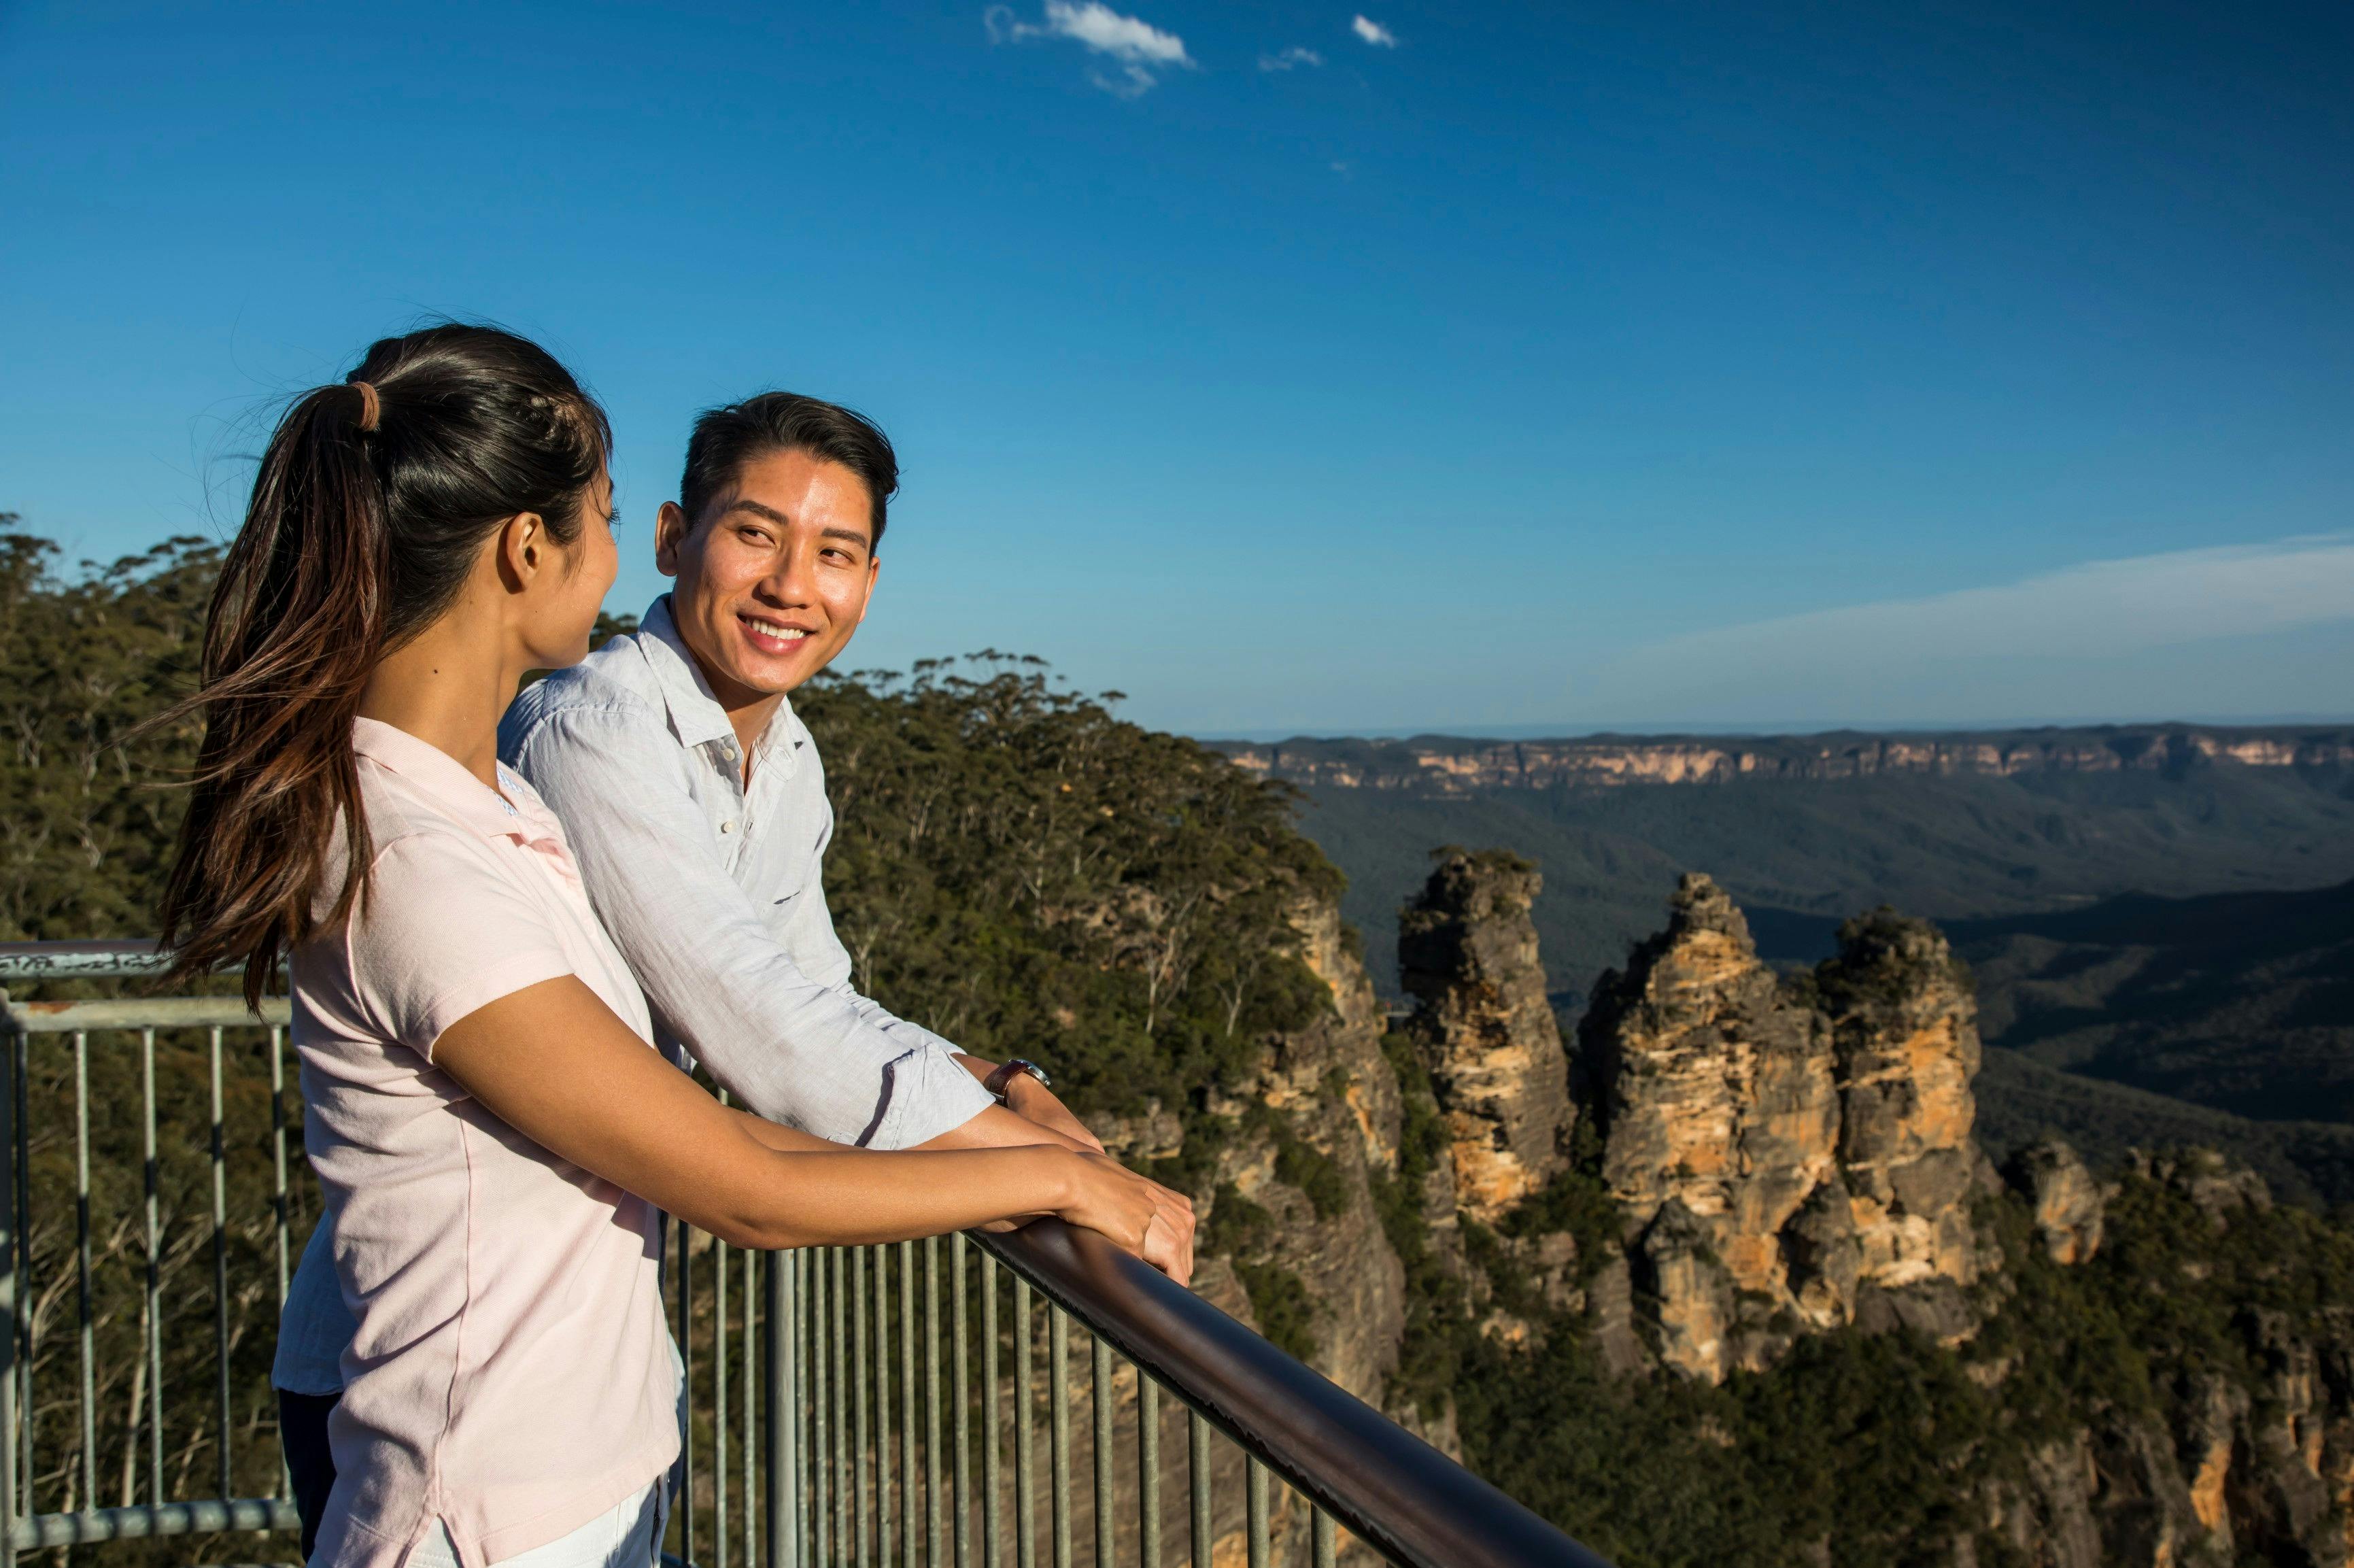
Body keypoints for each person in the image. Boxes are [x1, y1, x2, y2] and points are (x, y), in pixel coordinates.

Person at [158, 324, 1193, 1568]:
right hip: (461, 1454)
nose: (790, 582)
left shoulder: (515, 806)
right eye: (600, 521)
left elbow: (789, 1017)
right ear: (547, 546)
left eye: (837, 552)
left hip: (563, 1440)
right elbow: (750, 1117)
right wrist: (1058, 1176)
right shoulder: (481, 818)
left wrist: (1006, 1100)